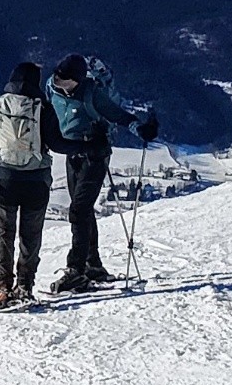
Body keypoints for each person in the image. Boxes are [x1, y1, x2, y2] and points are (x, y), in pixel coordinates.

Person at [0, 61, 85, 310]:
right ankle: (24, 286)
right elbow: (56, 144)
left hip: (4, 179)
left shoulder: (0, 105)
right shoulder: (43, 107)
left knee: (4, 233)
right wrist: (84, 146)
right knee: (30, 237)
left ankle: (1, 287)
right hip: (35, 180)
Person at [44, 54, 159, 293]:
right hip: (73, 152)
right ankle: (92, 265)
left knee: (79, 209)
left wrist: (141, 129)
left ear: (78, 79)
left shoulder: (92, 93)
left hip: (95, 154)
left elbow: (118, 115)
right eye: (57, 78)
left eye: (65, 80)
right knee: (81, 209)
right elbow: (46, 110)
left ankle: (76, 270)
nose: (59, 83)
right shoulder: (51, 88)